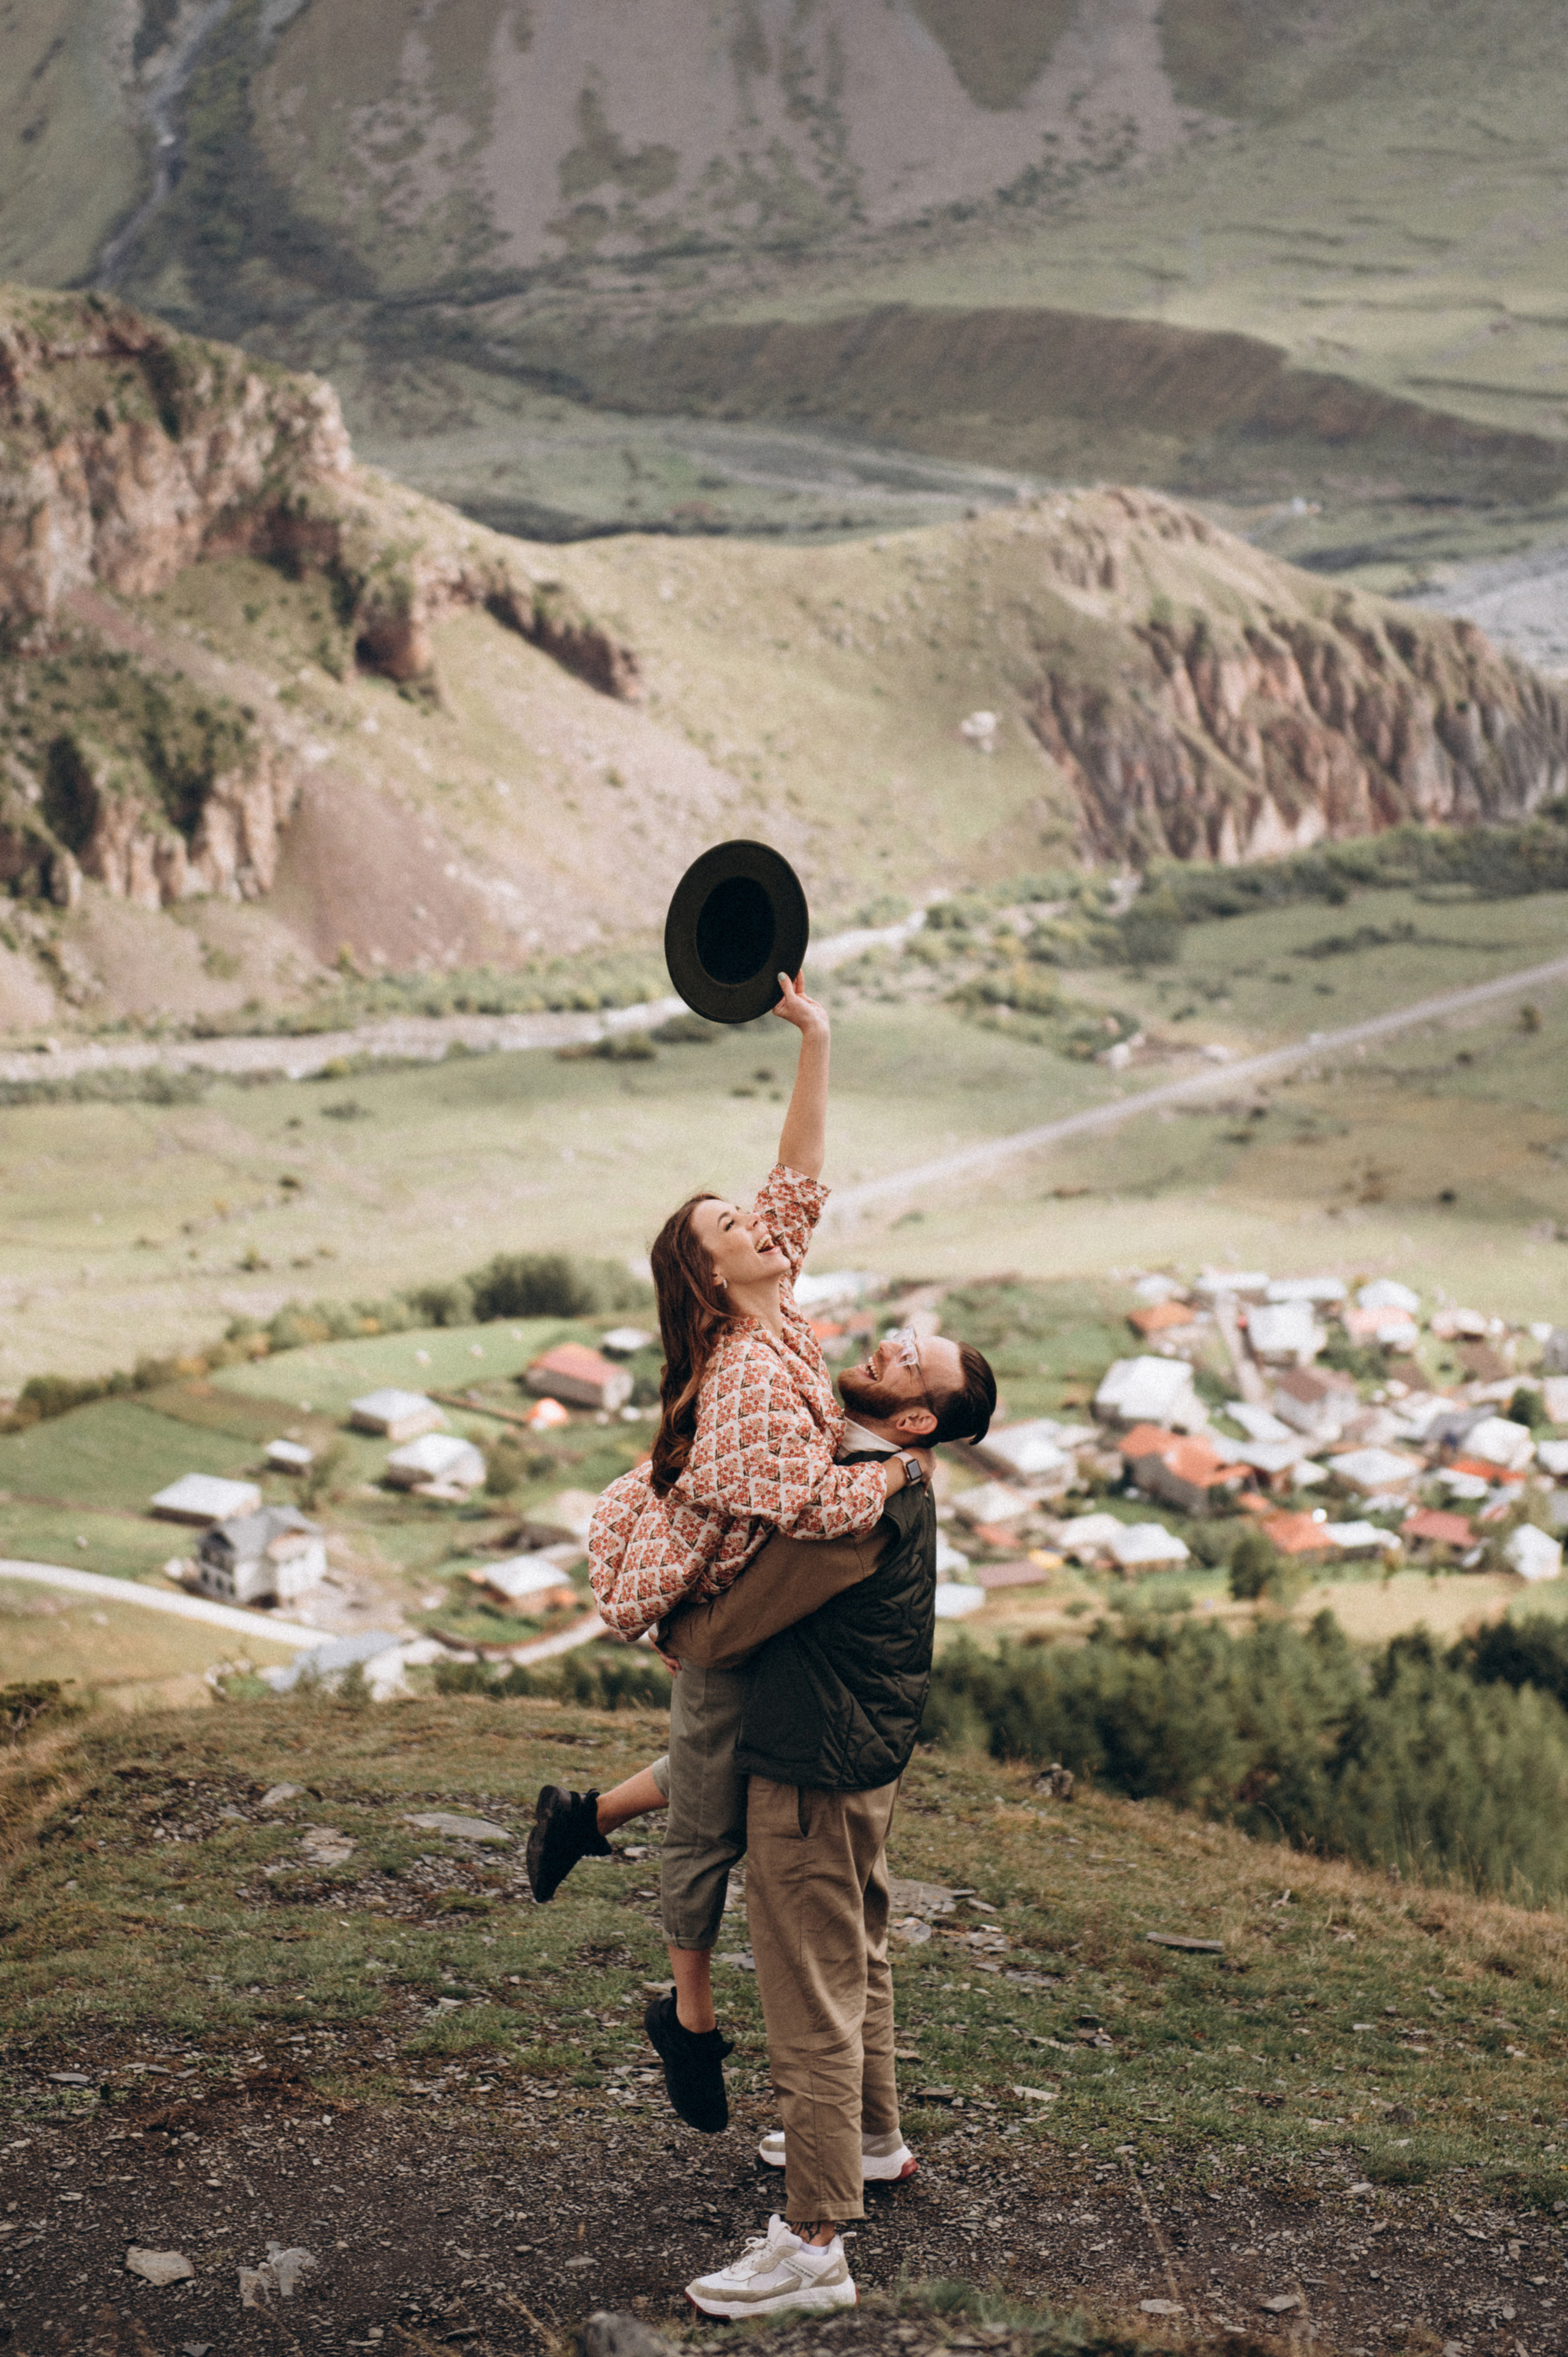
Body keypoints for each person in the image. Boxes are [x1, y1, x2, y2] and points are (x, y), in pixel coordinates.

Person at [524, 971, 993, 2148]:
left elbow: (799, 1171)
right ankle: (688, 2019)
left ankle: (583, 1825)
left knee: (706, 1781)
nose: (758, 1221)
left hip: (739, 1592)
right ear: (715, 1276)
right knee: (708, 1816)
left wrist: (814, 1038)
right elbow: (794, 1498)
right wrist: (892, 1472)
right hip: (709, 1602)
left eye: (743, 1215)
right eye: (729, 1228)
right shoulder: (741, 1369)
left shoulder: (775, 1296)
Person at [679, 1316, 990, 2316]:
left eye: (911, 1361)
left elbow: (729, 1631)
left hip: (812, 1769)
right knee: (858, 1947)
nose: (891, 1344)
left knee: (809, 1995)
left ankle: (813, 2245)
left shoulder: (856, 1506)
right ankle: (871, 2139)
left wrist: (662, 1612)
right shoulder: (885, 1476)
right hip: (861, 1758)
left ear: (913, 1418)